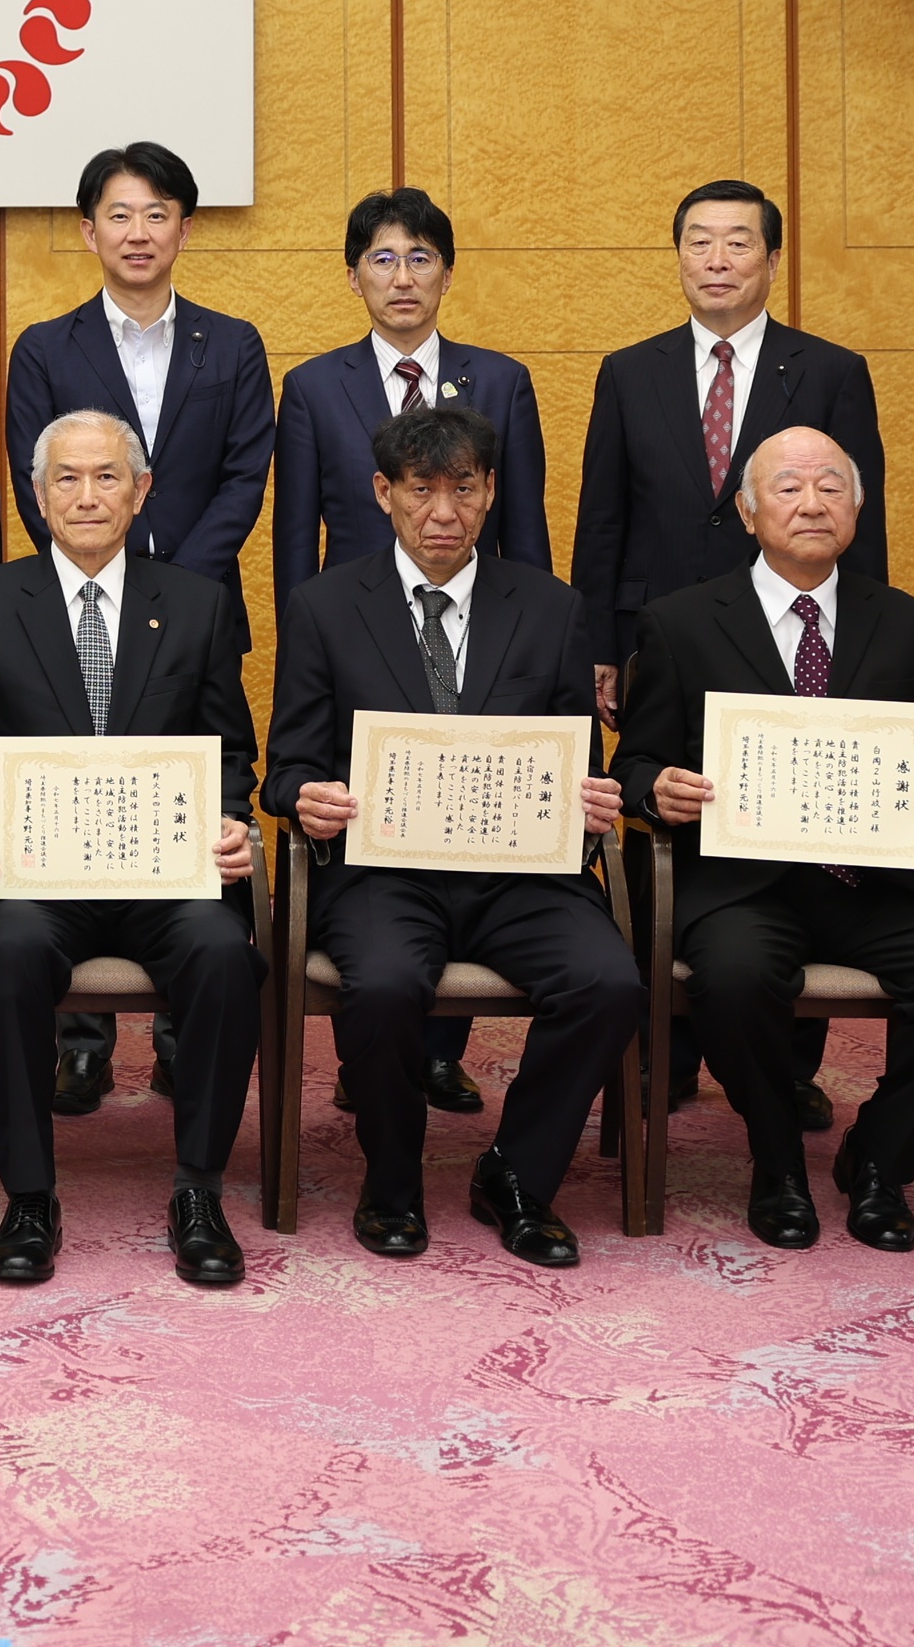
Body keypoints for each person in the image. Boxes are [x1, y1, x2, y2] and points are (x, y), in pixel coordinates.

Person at [616, 427, 914, 1253]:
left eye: (832, 486)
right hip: (746, 882)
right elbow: (637, 761)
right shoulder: (681, 622)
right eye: (789, 487)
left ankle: (880, 1158)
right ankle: (778, 1163)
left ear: (857, 510)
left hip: (883, 881)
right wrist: (658, 788)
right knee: (733, 975)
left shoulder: (910, 624)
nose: (812, 502)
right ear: (750, 513)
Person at [265, 404, 633, 1266]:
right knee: (388, 985)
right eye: (422, 490)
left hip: (522, 875)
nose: (444, 514)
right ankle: (391, 1179)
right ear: (382, 493)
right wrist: (304, 796)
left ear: (492, 491)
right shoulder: (325, 605)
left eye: (464, 489)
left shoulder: (550, 608)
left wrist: (589, 798)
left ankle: (515, 1175)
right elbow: (286, 764)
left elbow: (577, 748)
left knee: (608, 981)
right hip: (383, 874)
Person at [571, 178, 884, 1119]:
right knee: (659, 817)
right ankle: (662, 1050)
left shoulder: (829, 369)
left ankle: (785, 1060)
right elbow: (603, 517)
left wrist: (859, 646)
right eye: (699, 243)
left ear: (773, 262)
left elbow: (857, 520)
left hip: (790, 634)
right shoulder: (631, 370)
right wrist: (600, 645)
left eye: (737, 244)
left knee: (791, 823)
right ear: (678, 258)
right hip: (662, 638)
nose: (716, 260)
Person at [0, 411, 262, 1290]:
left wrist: (234, 820)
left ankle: (199, 1189)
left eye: (108, 477)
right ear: (38, 495)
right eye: (67, 479)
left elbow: (231, 750)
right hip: (37, 875)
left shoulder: (195, 602)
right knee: (7, 956)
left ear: (142, 490)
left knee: (225, 955)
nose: (87, 496)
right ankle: (29, 1195)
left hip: (166, 871)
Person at [267, 184, 552, 1123]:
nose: (402, 276)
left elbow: (525, 534)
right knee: (384, 852)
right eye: (383, 259)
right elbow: (295, 538)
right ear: (354, 275)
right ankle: (376, 1050)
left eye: (420, 258)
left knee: (471, 828)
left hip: (481, 639)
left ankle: (436, 1050)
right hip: (360, 650)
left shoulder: (500, 379)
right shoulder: (313, 385)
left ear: (447, 273)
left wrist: (545, 649)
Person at [0, 140, 270, 1115]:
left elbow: (246, 472)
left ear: (184, 228)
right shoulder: (46, 344)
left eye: (158, 213)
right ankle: (79, 1039)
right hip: (74, 609)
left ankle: (177, 1030)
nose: (139, 231)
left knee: (184, 798)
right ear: (89, 231)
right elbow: (41, 484)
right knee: (78, 803)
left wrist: (168, 590)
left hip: (193, 617)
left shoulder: (230, 342)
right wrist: (104, 571)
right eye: (120, 213)